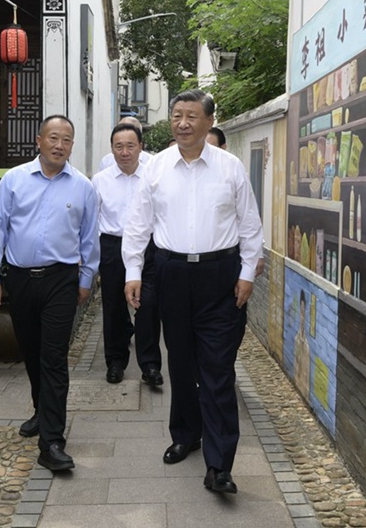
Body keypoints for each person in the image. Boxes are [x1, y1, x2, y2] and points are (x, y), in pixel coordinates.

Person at [123, 89, 263, 495]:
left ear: (208, 121)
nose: (182, 123)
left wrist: (247, 273)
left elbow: (250, 225)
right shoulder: (157, 168)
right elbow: (137, 225)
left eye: (191, 116)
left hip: (220, 276)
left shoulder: (230, 168)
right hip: (171, 273)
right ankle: (186, 434)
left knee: (217, 368)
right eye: (177, 115)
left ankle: (220, 465)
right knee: (180, 361)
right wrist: (133, 271)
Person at [0, 115, 99, 473]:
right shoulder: (14, 180)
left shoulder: (83, 187)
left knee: (53, 357)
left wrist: (86, 279)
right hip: (20, 279)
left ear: (72, 146)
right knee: (31, 353)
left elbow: (89, 238)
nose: (59, 145)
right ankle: (40, 409)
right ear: (39, 140)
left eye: (66, 139)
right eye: (53, 138)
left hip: (61, 280)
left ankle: (52, 442)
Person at [92, 123, 162, 386]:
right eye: (118, 146)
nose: (124, 152)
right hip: (112, 247)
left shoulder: (153, 177)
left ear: (140, 147)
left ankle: (151, 365)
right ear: (111, 149)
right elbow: (92, 220)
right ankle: (115, 362)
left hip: (148, 248)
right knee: (113, 307)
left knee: (148, 306)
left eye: (130, 146)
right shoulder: (100, 180)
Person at [205, 127, 265, 278]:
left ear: (223, 148)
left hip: (226, 258)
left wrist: (258, 254)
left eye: (211, 147)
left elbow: (248, 216)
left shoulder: (233, 170)